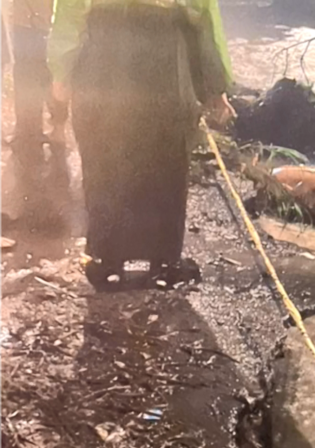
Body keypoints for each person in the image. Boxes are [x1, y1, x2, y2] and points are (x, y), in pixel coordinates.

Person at [48, 0, 236, 288]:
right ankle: (164, 262)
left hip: (102, 61)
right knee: (167, 161)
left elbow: (71, 11)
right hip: (164, 60)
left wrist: (61, 71)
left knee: (104, 159)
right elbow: (202, 13)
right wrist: (215, 83)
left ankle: (105, 260)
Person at [2, 0, 67, 166]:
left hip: (34, 21)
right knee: (51, 72)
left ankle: (32, 130)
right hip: (42, 20)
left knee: (37, 73)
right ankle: (51, 129)